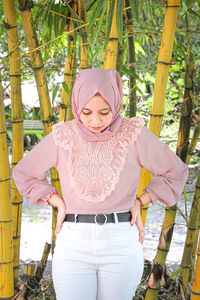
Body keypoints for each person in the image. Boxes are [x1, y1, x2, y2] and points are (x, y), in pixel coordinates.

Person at [13, 68, 188, 300]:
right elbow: (24, 173)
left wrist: (141, 201)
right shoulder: (63, 135)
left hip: (121, 241)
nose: (95, 121)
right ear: (76, 106)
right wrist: (58, 202)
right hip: (73, 241)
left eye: (104, 112)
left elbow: (175, 171)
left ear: (115, 105)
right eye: (86, 112)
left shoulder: (132, 134)